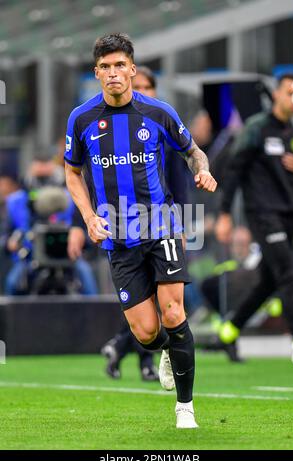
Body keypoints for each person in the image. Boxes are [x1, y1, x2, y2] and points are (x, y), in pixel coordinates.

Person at [64, 33, 217, 429]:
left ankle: (185, 408)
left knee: (173, 311)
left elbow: (192, 149)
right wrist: (88, 217)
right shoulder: (81, 119)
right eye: (105, 67)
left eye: (120, 65)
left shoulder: (159, 112)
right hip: (117, 236)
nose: (113, 73)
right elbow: (71, 170)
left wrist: (202, 168)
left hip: (161, 226)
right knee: (147, 332)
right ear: (96, 72)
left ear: (132, 69)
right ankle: (168, 348)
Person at [100, 65, 189, 382]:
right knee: (143, 306)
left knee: (165, 303)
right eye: (139, 86)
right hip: (123, 230)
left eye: (147, 86)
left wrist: (181, 224)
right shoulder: (107, 132)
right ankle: (136, 351)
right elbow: (91, 177)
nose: (142, 91)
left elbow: (179, 181)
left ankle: (132, 354)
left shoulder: (162, 125)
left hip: (162, 226)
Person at [215, 73, 293, 364]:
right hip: (263, 215)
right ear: (276, 94)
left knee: (269, 281)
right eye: (290, 91)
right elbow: (234, 172)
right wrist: (224, 213)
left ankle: (229, 329)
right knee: (288, 274)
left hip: (291, 216)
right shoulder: (256, 129)